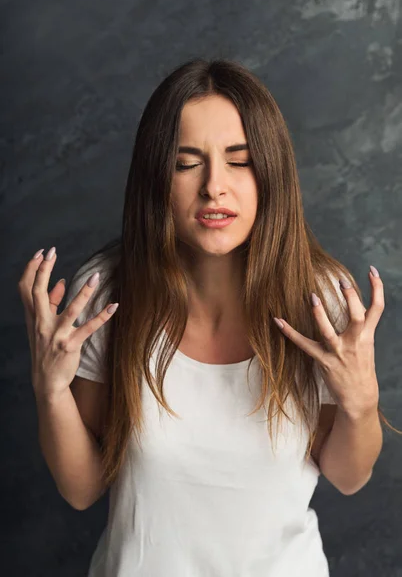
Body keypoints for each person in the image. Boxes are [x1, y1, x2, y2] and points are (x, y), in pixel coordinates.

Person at [19, 58, 394, 576]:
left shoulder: (321, 300)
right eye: (186, 163)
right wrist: (50, 389)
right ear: (156, 177)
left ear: (271, 174)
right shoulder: (106, 294)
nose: (214, 186)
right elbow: (82, 489)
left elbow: (349, 477)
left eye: (239, 161)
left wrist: (361, 401)